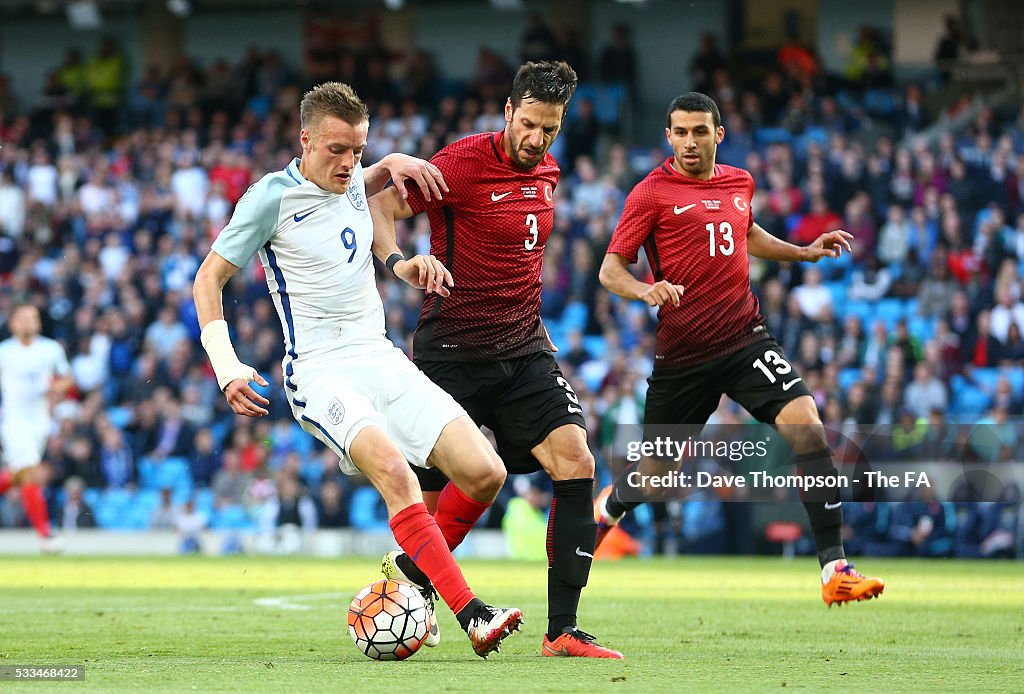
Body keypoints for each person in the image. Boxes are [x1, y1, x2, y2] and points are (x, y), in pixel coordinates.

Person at [192, 81, 522, 659]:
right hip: (320, 372)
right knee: (395, 472)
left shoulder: (353, 178)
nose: (348, 163)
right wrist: (227, 366)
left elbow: (364, 193)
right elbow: (209, 279)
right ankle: (473, 614)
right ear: (305, 140)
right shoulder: (270, 198)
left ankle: (409, 570)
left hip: (380, 355)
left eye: (358, 150)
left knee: (486, 472)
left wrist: (391, 171)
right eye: (336, 150)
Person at [369, 61, 622, 659]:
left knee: (576, 460)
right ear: (508, 112)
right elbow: (380, 208)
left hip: (524, 349)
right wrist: (400, 264)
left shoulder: (550, 172)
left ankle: (562, 630)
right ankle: (411, 591)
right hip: (451, 353)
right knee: (427, 505)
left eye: (550, 129)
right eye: (529, 124)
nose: (537, 139)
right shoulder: (459, 163)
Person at [595, 92, 885, 607]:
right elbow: (610, 268)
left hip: (744, 338)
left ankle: (834, 568)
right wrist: (644, 290)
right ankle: (610, 508)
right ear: (668, 136)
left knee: (808, 425)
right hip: (683, 354)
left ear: (718, 134)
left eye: (699, 131)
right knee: (659, 471)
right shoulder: (650, 193)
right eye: (680, 132)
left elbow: (744, 231)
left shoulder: (739, 182)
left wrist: (802, 251)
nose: (689, 142)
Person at [0, 304, 74, 552]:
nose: (28, 322)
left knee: (18, 476)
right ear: (13, 324)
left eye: (32, 318)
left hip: (40, 423)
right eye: (22, 318)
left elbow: (66, 378)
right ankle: (46, 536)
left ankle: (45, 536)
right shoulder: (4, 352)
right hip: (14, 422)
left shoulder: (50, 349)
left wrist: (57, 389)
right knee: (31, 472)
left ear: (38, 323)